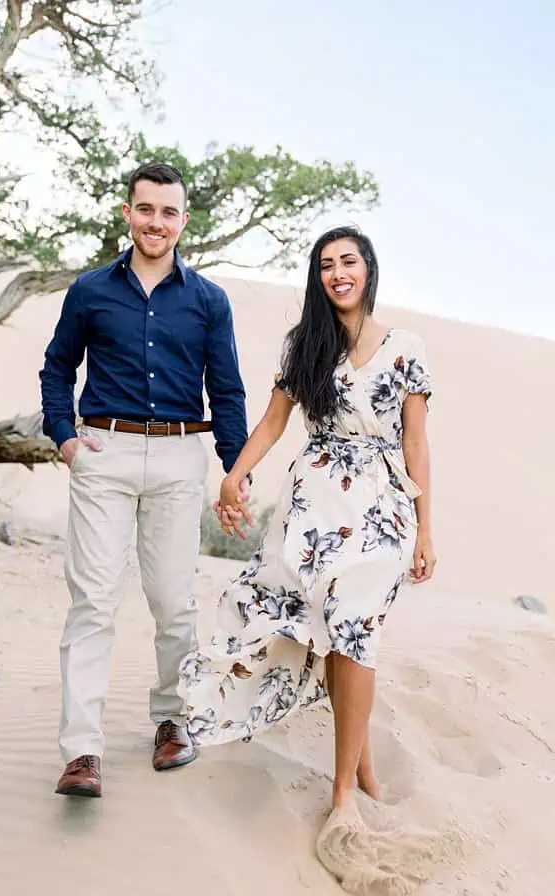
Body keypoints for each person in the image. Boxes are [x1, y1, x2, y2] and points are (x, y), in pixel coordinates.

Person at [177, 225, 435, 864]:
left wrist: (427, 527)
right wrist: (236, 473)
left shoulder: (407, 348)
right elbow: (272, 422)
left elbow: (416, 444)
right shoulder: (305, 345)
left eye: (348, 261)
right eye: (326, 265)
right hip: (314, 505)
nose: (338, 273)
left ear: (369, 269)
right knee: (328, 629)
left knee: (354, 623)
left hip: (382, 509)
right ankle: (363, 765)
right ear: (317, 277)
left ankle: (344, 789)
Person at [39, 161, 251, 798]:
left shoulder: (209, 301)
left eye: (168, 212)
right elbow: (57, 368)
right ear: (127, 213)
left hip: (182, 457)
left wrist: (234, 470)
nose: (156, 222)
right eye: (146, 209)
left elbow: (229, 389)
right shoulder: (90, 291)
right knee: (93, 602)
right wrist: (68, 440)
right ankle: (81, 751)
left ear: (184, 221)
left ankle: (171, 719)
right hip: (104, 454)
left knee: (173, 601)